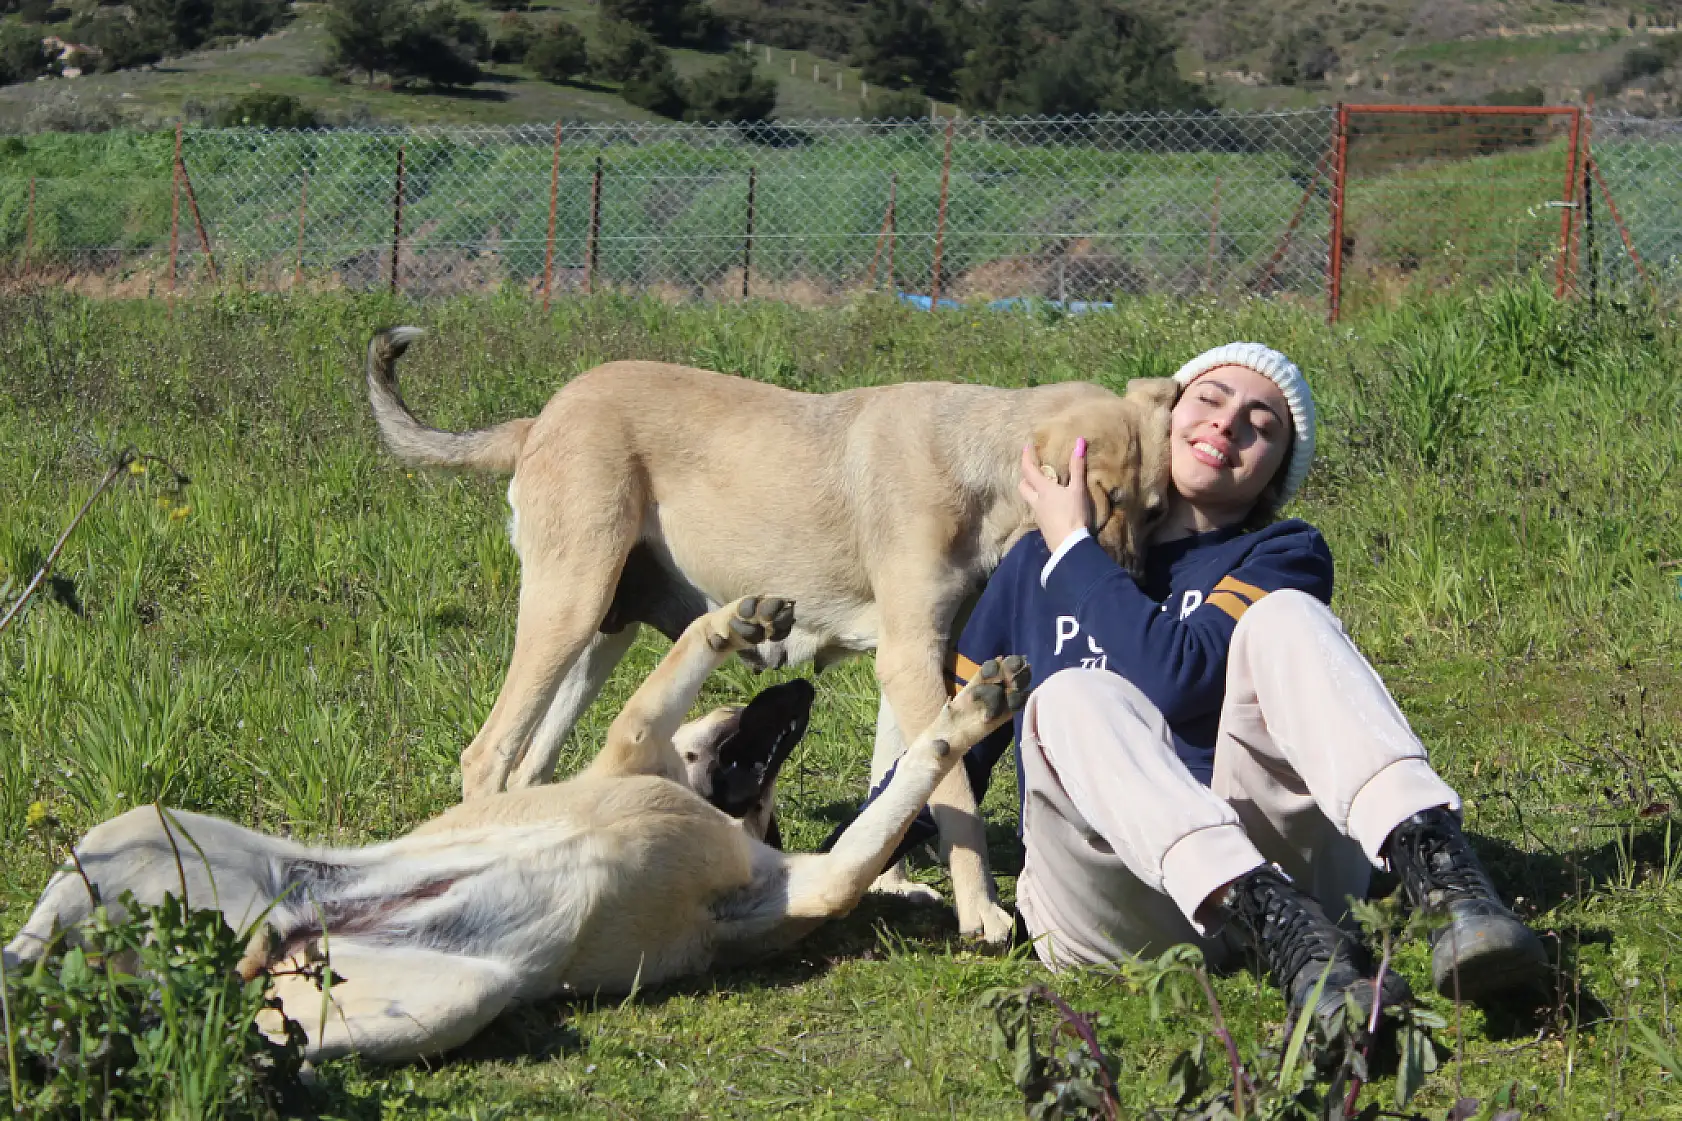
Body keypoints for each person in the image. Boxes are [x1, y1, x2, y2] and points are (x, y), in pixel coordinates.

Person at [834, 342, 1548, 1035]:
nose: (1228, 422)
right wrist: (837, 861)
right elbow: (959, 744)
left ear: (1272, 475)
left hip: (1290, 874)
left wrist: (1076, 550)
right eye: (1209, 398)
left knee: (1288, 619)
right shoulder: (1030, 565)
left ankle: (1446, 881)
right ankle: (1277, 928)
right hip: (1113, 906)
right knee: (1067, 698)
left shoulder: (1278, 553)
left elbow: (1176, 678)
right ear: (1165, 418)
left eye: (1262, 425)